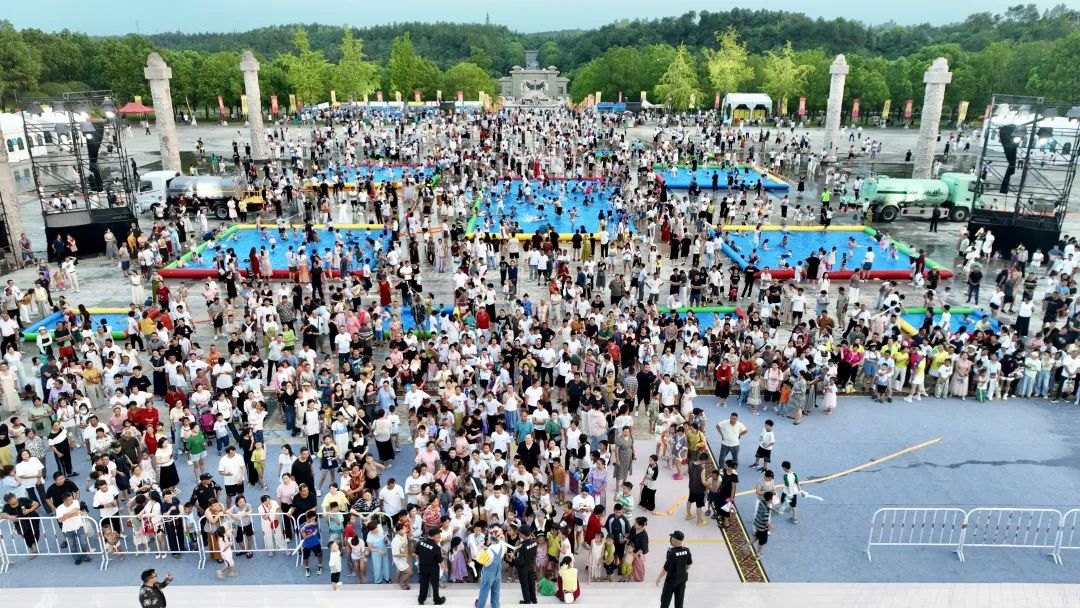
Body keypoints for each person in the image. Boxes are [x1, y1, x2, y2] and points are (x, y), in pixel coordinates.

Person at [655, 530, 692, 608]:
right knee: (679, 601)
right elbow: (689, 564)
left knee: (665, 600)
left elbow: (666, 568)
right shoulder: (687, 550)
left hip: (671, 580)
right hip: (682, 579)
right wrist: (681, 570)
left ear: (674, 540)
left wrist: (659, 577)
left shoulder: (671, 553)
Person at [416, 526, 447, 605]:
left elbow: (417, 553)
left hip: (422, 567)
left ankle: (421, 600)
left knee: (423, 584)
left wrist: (419, 562)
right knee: (435, 584)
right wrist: (445, 568)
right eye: (439, 537)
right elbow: (440, 560)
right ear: (435, 536)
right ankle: (437, 600)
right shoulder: (436, 547)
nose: (440, 538)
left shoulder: (420, 542)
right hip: (433, 568)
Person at [515, 524, 538, 604]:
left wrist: (514, 558)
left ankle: (527, 601)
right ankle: (533, 599)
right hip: (531, 565)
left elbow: (521, 561)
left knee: (524, 584)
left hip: (523, 568)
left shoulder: (523, 545)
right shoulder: (535, 542)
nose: (520, 535)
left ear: (524, 535)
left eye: (520, 533)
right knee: (531, 582)